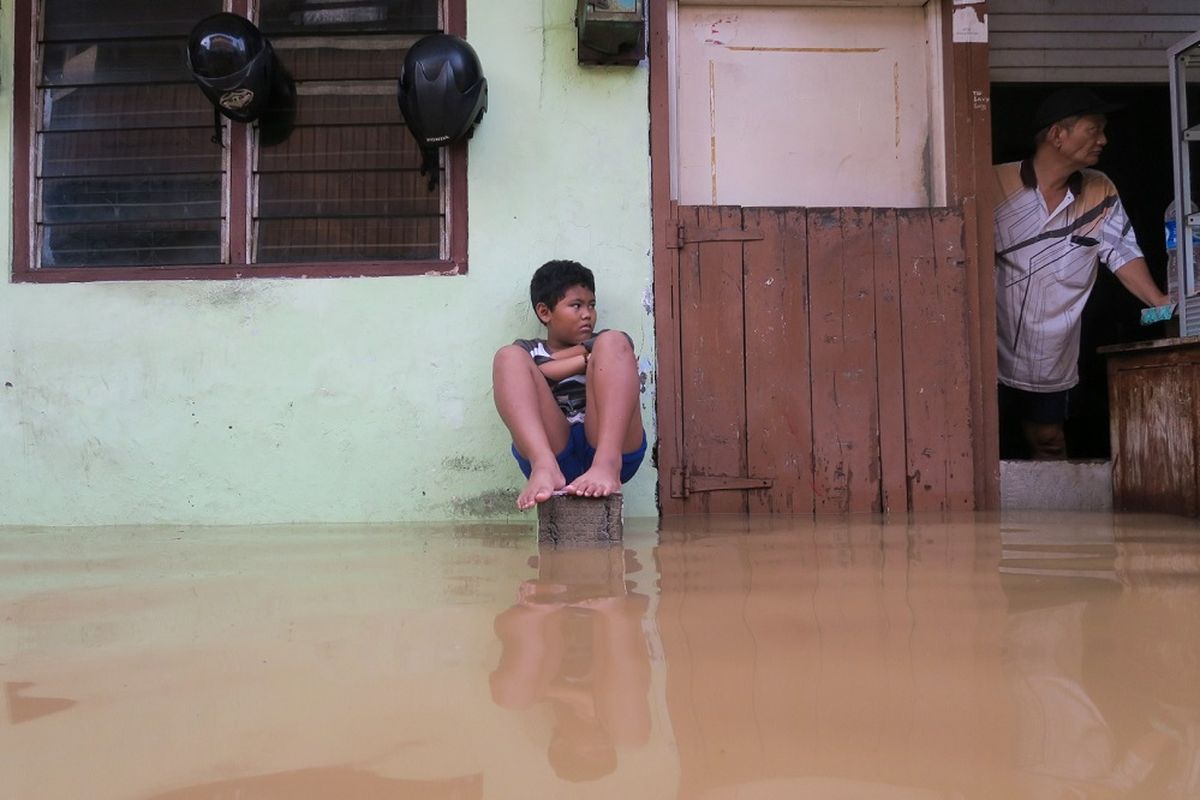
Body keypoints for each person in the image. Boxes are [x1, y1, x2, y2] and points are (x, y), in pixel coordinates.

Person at [993, 87, 1171, 459]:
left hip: (1049, 356)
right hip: (987, 351)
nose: (1104, 140)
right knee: (978, 446)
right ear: (1058, 134)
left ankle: (1057, 517)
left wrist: (1160, 302)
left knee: (1048, 441)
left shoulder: (1099, 189)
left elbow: (1120, 251)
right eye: (1094, 129)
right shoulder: (994, 185)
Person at [493, 259, 647, 510]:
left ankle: (607, 464)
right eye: (576, 305)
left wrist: (579, 360)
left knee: (615, 341)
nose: (587, 314)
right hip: (554, 449)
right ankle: (543, 466)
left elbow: (546, 369)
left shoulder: (604, 342)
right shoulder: (527, 350)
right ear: (545, 312)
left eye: (591, 305)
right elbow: (539, 371)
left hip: (607, 444)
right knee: (506, 357)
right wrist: (586, 360)